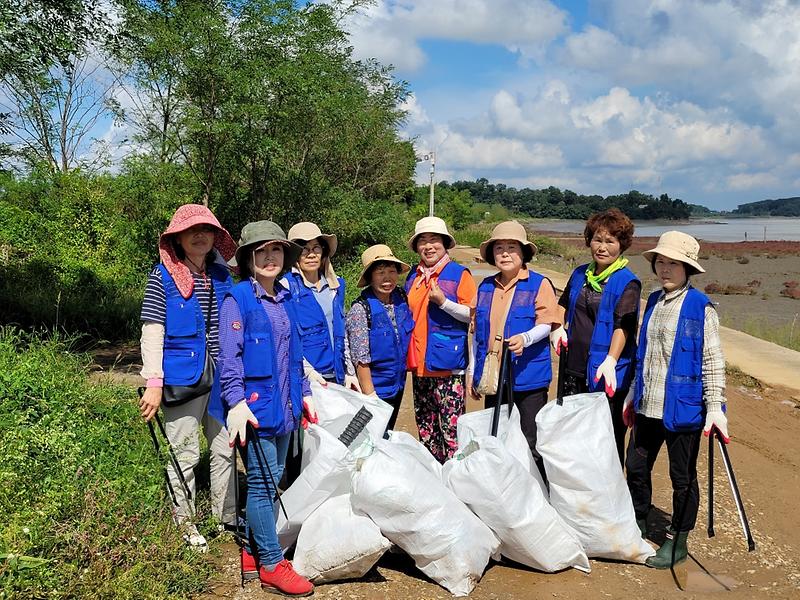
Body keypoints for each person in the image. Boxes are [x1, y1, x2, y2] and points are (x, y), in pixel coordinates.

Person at [218, 220, 316, 596]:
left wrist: (305, 392)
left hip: (285, 406)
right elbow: (229, 358)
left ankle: (250, 549)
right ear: (248, 259)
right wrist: (236, 402)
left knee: (273, 478)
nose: (270, 257)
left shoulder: (285, 299)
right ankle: (273, 564)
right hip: (255, 409)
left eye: (276, 250)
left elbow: (295, 353)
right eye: (262, 251)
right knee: (262, 483)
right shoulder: (239, 299)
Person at [624, 231, 728, 569]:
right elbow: (644, 354)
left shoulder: (701, 308)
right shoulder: (654, 300)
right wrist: (632, 393)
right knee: (636, 467)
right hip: (647, 405)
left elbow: (712, 360)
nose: (665, 269)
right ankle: (638, 521)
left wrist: (715, 407)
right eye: (661, 262)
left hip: (683, 409)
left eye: (674, 263)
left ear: (688, 268)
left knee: (682, 478)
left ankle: (677, 540)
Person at [138, 203, 238, 552]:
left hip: (222, 375)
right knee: (185, 453)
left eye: (207, 230)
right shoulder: (161, 276)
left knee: (225, 448)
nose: (200, 236)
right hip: (182, 377)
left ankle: (225, 518)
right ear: (177, 238)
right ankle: (186, 523)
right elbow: (152, 330)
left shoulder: (222, 275)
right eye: (191, 230)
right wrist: (154, 383)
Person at [469, 221, 560, 482]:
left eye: (512, 247)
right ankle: (505, 490)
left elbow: (546, 323)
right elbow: (476, 334)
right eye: (499, 248)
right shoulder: (485, 286)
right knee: (497, 437)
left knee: (531, 441)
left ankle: (538, 491)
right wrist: (473, 372)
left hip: (529, 377)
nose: (505, 253)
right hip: (495, 376)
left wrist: (525, 338)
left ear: (523, 253)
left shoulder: (539, 284)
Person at [552, 208, 640, 464]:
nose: (602, 247)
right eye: (597, 240)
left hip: (605, 371)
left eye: (610, 241)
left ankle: (608, 486)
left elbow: (624, 325)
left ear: (622, 245)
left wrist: (611, 359)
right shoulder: (580, 273)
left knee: (606, 437)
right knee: (573, 431)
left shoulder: (627, 282)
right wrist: (557, 327)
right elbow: (563, 303)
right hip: (574, 365)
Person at [283, 222, 359, 483]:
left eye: (316, 248)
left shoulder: (336, 286)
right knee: (303, 441)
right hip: (305, 378)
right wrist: (307, 372)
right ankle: (297, 491)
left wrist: (349, 370)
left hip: (334, 374)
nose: (311, 254)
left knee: (333, 438)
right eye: (304, 249)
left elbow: (341, 329)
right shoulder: (286, 288)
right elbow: (288, 338)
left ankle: (327, 492)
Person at [405, 216, 476, 463]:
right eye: (422, 241)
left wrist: (444, 303)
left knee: (452, 435)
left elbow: (473, 315)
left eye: (434, 240)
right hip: (420, 367)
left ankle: (456, 480)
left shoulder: (459, 275)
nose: (428, 246)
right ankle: (434, 477)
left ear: (445, 244)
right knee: (427, 432)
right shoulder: (413, 277)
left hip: (449, 368)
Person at [346, 244, 414, 431]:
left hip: (397, 385)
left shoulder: (401, 299)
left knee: (388, 434)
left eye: (391, 271)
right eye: (380, 272)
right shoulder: (361, 310)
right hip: (376, 390)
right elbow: (361, 358)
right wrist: (371, 396)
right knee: (374, 436)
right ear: (370, 277)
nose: (387, 278)